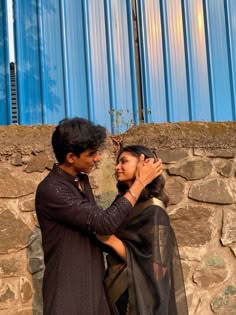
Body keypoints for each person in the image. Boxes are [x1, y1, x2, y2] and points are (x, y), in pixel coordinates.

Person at [35, 117, 162, 315]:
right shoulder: (52, 189)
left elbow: (100, 227)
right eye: (92, 154)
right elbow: (103, 224)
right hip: (68, 294)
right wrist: (139, 183)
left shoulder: (81, 181)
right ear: (70, 157)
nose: (98, 158)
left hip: (95, 290)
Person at [96, 145, 189, 315]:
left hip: (141, 299)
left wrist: (113, 242)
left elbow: (158, 267)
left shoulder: (155, 211)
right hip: (118, 290)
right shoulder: (123, 203)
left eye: (124, 161)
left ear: (143, 165)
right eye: (118, 162)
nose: (117, 167)